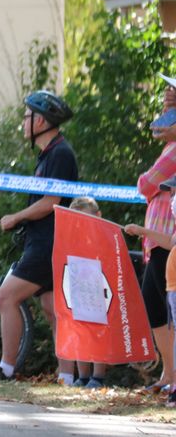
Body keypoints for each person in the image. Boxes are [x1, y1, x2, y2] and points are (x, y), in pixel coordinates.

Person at [0, 90, 78, 383]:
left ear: (41, 121)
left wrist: (17, 216)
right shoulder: (48, 154)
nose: (23, 122)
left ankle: (6, 369)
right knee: (52, 309)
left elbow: (52, 201)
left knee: (5, 297)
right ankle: (66, 377)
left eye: (27, 117)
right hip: (45, 240)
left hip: (49, 243)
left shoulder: (60, 153)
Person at [130, 84, 176, 395]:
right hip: (157, 241)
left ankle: (172, 375)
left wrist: (150, 185)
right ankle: (168, 373)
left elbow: (146, 184)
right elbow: (161, 128)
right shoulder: (169, 146)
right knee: (155, 307)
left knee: (167, 309)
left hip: (167, 240)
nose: (164, 116)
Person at [67, 196, 108, 388]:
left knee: (98, 330)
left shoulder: (105, 234)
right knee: (79, 329)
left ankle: (98, 376)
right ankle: (83, 376)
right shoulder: (72, 236)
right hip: (77, 285)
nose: (80, 223)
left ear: (98, 215)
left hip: (98, 287)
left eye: (85, 218)